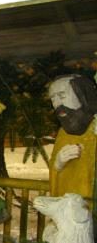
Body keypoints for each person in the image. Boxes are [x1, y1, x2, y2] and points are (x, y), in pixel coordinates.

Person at [48, 74, 97, 205]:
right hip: (69, 206)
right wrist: (58, 163)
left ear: (82, 95)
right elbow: (54, 170)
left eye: (62, 96)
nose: (57, 104)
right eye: (53, 99)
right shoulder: (63, 132)